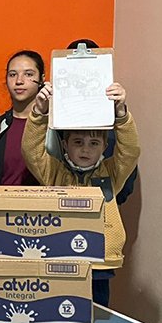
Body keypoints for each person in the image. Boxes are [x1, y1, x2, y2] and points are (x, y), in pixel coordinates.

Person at [22, 81, 140, 307]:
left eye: (94, 142)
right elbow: (31, 151)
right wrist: (39, 112)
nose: (86, 149)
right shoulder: (53, 173)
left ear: (105, 145)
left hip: (98, 265)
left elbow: (131, 151)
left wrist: (121, 114)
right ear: (65, 144)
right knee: (59, 313)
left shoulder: (112, 174)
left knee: (96, 317)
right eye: (78, 142)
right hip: (60, 260)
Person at [66, 38, 139, 205]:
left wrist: (110, 200)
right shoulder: (55, 115)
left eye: (88, 70)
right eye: (75, 69)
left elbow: (128, 156)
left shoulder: (112, 120)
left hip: (105, 206)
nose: (81, 76)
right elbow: (35, 156)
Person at [0, 50, 44, 186]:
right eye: (13, 75)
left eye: (28, 74)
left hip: (43, 203)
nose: (19, 81)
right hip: (0, 203)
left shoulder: (51, 126)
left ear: (41, 79)